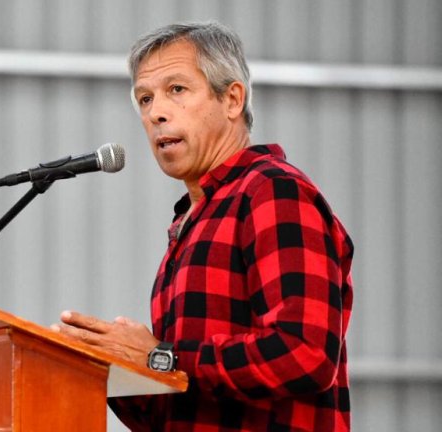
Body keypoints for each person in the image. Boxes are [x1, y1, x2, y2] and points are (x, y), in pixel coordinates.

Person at [51, 21, 353, 431]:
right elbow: (185, 405)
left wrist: (161, 357)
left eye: (176, 90)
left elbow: (305, 354)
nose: (155, 112)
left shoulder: (273, 192)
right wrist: (106, 365)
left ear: (231, 99)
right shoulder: (191, 220)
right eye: (144, 98)